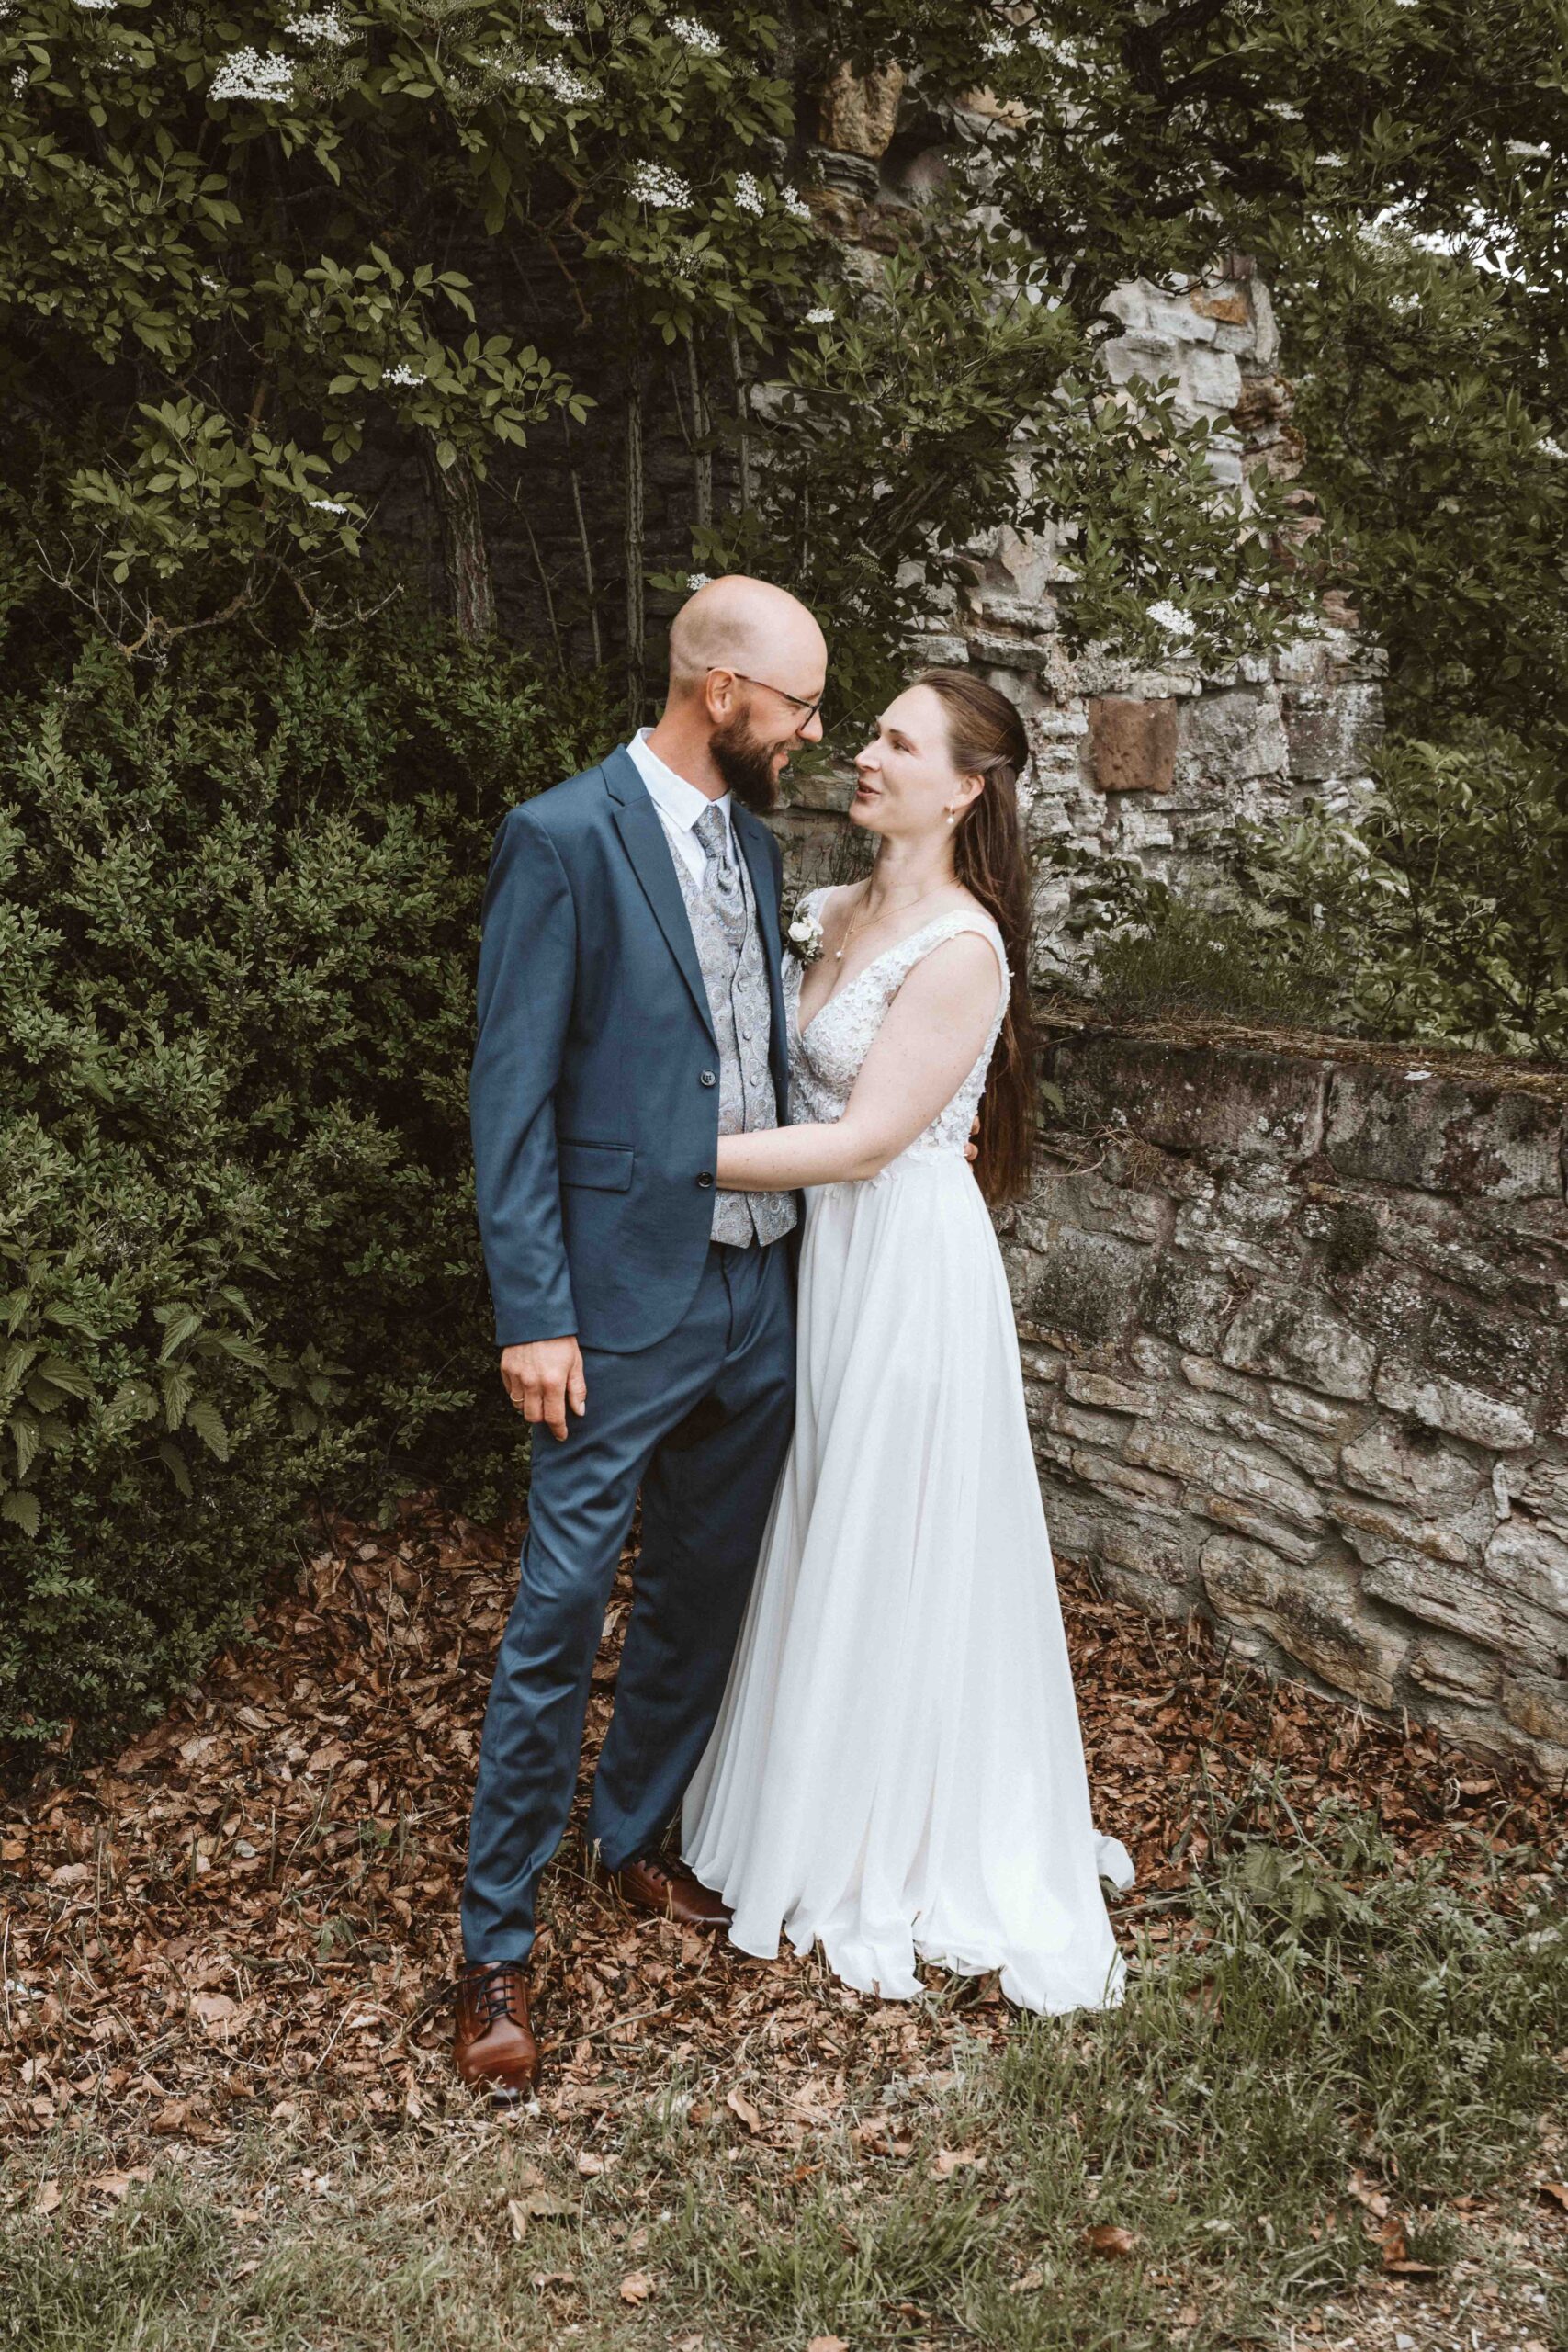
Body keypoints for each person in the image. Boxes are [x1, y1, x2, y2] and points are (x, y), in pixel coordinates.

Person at [682, 668, 1134, 2014]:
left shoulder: (961, 947)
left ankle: (886, 1831)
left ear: (966, 786)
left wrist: (665, 1165)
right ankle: (805, 1790)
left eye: (895, 741)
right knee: (821, 1517)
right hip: (828, 1255)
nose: (865, 755)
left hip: (903, 1262)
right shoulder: (833, 905)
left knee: (891, 1524)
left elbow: (870, 1137)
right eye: (869, 731)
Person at [455, 576, 826, 2098]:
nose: (813, 734)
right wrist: (535, 1312)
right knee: (559, 1617)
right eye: (799, 705)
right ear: (724, 690)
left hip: (758, 1294)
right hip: (612, 1311)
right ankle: (493, 1948)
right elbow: (511, 1097)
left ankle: (632, 1837)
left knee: (701, 1594)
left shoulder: (752, 836)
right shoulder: (561, 839)